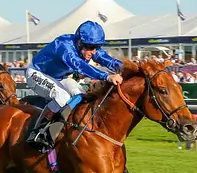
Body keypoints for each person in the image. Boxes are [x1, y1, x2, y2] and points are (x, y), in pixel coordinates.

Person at [25, 20, 124, 149]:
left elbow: (108, 60)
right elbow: (80, 66)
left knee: (81, 95)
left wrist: (127, 68)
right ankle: (37, 132)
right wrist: (107, 76)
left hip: (59, 77)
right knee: (62, 96)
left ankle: (66, 127)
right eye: (91, 47)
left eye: (96, 47)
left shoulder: (89, 48)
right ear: (79, 43)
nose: (93, 52)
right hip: (36, 73)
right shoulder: (64, 46)